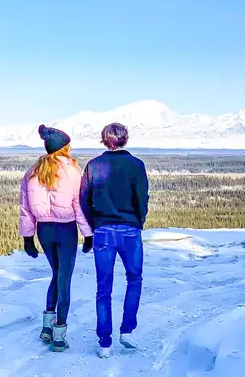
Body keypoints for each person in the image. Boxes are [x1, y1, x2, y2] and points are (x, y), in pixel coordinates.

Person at [19, 125, 93, 352]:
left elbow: (25, 208)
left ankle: (46, 327)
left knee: (56, 274)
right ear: (64, 147)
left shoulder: (32, 172)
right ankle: (59, 334)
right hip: (66, 229)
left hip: (44, 230)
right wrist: (87, 233)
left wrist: (28, 238)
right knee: (65, 279)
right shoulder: (72, 171)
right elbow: (78, 206)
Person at [80, 123, 149, 358]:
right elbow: (142, 197)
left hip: (103, 231)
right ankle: (127, 330)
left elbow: (83, 199)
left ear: (104, 140)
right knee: (134, 279)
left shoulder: (93, 165)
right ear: (125, 139)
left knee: (103, 288)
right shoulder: (136, 165)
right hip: (130, 230)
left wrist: (93, 225)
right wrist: (138, 221)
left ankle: (104, 343)